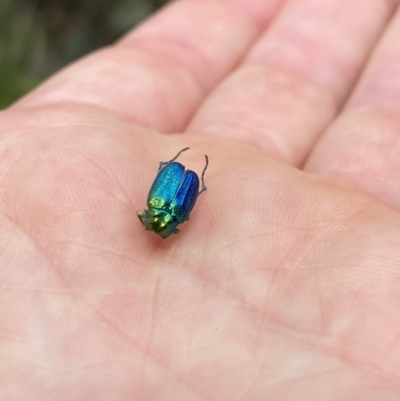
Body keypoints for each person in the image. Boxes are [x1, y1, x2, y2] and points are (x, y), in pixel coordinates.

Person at [2, 0, 400, 398]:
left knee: (183, 178)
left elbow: (167, 196)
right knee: (184, 179)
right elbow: (169, 197)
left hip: (176, 181)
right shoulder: (167, 215)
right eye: (157, 227)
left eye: (157, 227)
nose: (156, 228)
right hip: (178, 181)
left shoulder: (165, 213)